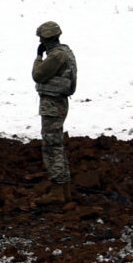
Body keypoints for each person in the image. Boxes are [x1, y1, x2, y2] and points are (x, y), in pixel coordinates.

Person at [31, 19, 77, 203]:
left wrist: (38, 57)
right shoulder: (64, 52)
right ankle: (64, 189)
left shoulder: (56, 56)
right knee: (56, 144)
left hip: (52, 104)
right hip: (58, 103)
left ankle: (58, 191)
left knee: (51, 146)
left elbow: (38, 74)